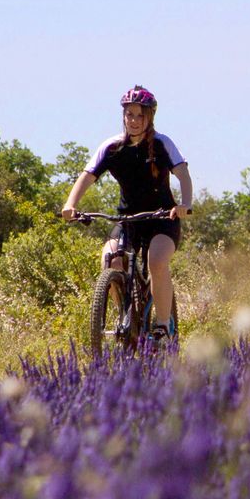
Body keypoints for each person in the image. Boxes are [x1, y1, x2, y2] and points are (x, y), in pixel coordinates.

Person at [60, 86, 193, 340]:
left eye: (139, 116)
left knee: (156, 261)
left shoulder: (162, 143)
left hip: (162, 219)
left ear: (149, 117)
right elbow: (87, 177)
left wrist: (184, 204)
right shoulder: (112, 147)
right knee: (110, 258)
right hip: (127, 219)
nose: (133, 120)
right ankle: (126, 313)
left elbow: (183, 173)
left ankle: (163, 325)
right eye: (129, 115)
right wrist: (70, 205)